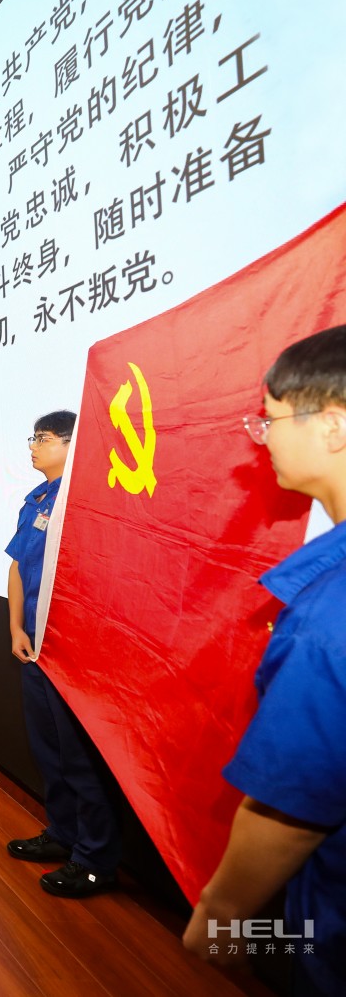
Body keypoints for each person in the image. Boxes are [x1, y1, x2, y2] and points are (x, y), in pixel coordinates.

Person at [186, 326, 346, 994]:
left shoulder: (329, 616)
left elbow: (290, 808)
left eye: (270, 419)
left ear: (332, 425)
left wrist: (222, 915)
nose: (262, 438)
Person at [4, 409, 121, 898]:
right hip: (34, 643)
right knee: (48, 750)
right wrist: (15, 626)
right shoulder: (36, 499)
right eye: (33, 437)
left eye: (45, 437)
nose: (34, 446)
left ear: (74, 444)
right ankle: (63, 833)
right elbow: (17, 565)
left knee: (78, 757)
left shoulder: (90, 503)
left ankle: (94, 860)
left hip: (72, 649)